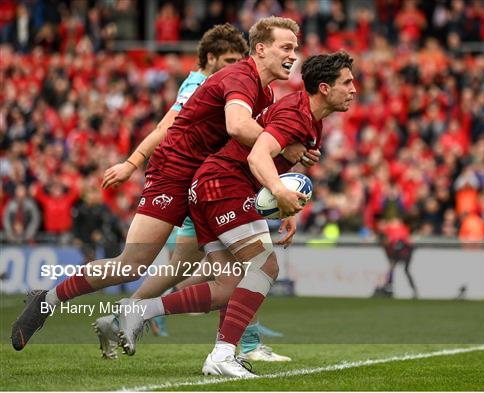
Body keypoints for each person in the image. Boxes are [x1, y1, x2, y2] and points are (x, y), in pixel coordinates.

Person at [11, 16, 316, 352]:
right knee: (132, 265)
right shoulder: (239, 77)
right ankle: (49, 300)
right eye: (286, 47)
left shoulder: (266, 91)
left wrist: (286, 184)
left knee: (223, 274)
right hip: (175, 170)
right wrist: (132, 163)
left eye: (295, 48)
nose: (293, 55)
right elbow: (238, 127)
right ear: (260, 49)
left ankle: (221, 344)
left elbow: (259, 149)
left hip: (210, 180)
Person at [115, 52, 356, 377]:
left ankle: (143, 310)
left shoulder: (310, 119)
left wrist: (290, 206)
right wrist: (280, 192)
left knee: (229, 285)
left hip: (214, 185)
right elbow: (258, 156)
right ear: (325, 88)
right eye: (348, 82)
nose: (354, 88)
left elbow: (280, 166)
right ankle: (222, 354)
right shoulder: (296, 115)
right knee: (265, 264)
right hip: (223, 184)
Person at [94, 23, 290, 362]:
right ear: (210, 59)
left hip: (208, 182)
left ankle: (140, 315)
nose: (234, 65)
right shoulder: (200, 83)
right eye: (228, 59)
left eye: (238, 59)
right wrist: (132, 162)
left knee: (219, 268)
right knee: (207, 266)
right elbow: (165, 127)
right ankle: (134, 314)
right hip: (194, 183)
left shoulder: (243, 82)